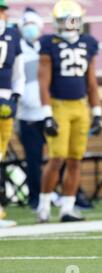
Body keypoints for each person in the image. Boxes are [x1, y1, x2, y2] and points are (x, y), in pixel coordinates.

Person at [37, 0, 102, 223]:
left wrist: (98, 111)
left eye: (72, 19)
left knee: (76, 159)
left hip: (80, 106)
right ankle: (44, 207)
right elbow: (43, 82)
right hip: (58, 105)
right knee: (56, 159)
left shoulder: (88, 43)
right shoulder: (49, 43)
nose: (69, 25)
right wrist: (47, 114)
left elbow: (91, 82)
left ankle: (67, 207)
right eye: (64, 20)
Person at [16, 7, 45, 211]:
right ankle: (35, 198)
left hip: (49, 112)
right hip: (27, 115)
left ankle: (65, 196)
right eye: (26, 25)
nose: (30, 29)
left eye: (32, 24)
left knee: (60, 156)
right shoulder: (17, 48)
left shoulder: (47, 48)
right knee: (33, 160)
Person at [0, 0, 25, 228]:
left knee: (0, 153)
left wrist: (15, 96)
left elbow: (18, 72)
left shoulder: (12, 35)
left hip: (5, 100)